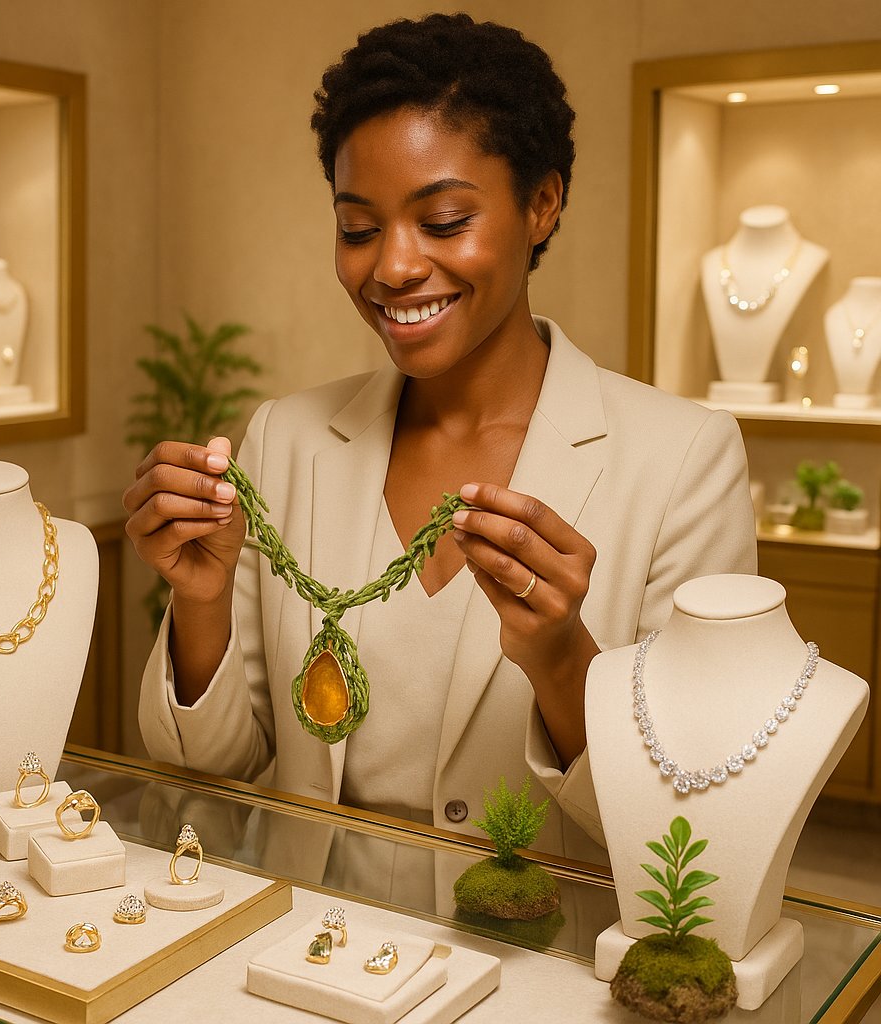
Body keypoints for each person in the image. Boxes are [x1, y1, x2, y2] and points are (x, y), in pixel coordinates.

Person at [125, 13, 756, 876]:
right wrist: (199, 603)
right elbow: (213, 772)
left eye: (445, 220)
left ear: (542, 204)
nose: (392, 267)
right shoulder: (284, 440)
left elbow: (690, 825)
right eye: (358, 229)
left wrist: (561, 657)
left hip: (536, 953)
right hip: (309, 945)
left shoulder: (684, 460)